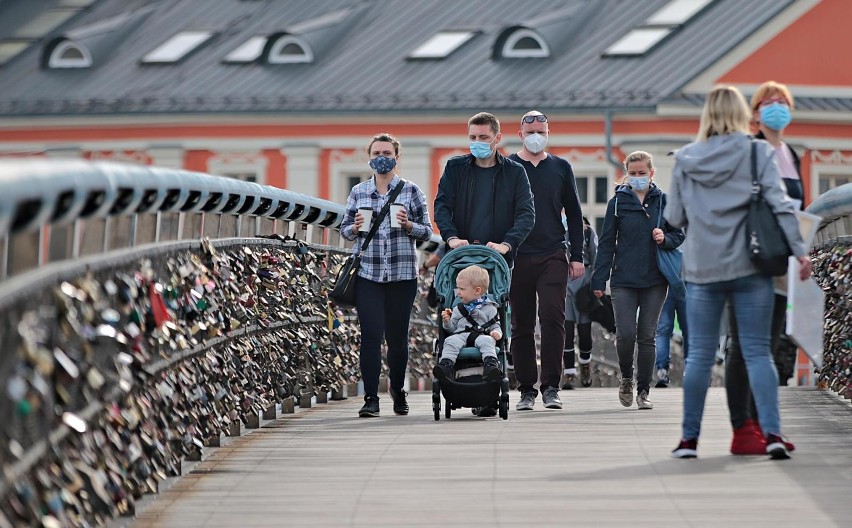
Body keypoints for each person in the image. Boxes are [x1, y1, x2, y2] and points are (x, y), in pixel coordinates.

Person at [666, 85, 811, 459]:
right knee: (758, 351)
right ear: (742, 113)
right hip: (750, 265)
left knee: (699, 355)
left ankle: (689, 440)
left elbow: (674, 218)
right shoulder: (758, 151)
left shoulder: (685, 159)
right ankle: (773, 434)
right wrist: (800, 252)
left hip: (702, 268)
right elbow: (780, 207)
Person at [433, 111, 535, 416]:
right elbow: (442, 206)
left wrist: (507, 243)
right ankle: (463, 380)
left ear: (497, 138)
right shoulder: (455, 168)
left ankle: (489, 393)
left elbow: (526, 213)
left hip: (497, 260)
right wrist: (450, 237)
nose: (477, 143)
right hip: (461, 256)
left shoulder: (514, 172)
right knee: (459, 319)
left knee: (494, 317)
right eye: (473, 138)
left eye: (483, 138)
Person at [725, 80, 804, 454]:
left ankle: (766, 425)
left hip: (779, 263)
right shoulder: (750, 150)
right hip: (747, 258)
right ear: (755, 113)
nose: (777, 108)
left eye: (783, 102)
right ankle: (744, 426)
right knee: (743, 345)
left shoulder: (792, 153)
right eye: (770, 103)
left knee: (769, 347)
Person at [339, 133, 434, 418]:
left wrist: (409, 225)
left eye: (387, 153)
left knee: (397, 337)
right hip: (368, 273)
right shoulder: (358, 192)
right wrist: (354, 228)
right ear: (370, 157)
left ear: (396, 157)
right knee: (370, 335)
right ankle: (370, 397)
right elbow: (343, 229)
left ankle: (398, 390)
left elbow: (428, 232)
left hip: (402, 273)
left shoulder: (411, 191)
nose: (382, 157)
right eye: (377, 152)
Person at [591, 151, 685, 411]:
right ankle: (626, 378)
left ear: (651, 173)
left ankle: (644, 390)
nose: (637, 178)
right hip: (623, 279)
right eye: (633, 174)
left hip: (655, 279)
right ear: (626, 174)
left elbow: (679, 235)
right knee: (625, 334)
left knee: (647, 335)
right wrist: (599, 280)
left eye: (642, 173)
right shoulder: (618, 203)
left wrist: (663, 238)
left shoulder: (664, 201)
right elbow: (607, 243)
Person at [507, 110, 585, 411]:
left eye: (541, 131)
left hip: (553, 253)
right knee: (521, 324)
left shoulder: (561, 167)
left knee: (553, 317)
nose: (535, 136)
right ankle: (527, 389)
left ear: (548, 133)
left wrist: (577, 256)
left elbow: (575, 215)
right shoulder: (509, 166)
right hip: (517, 255)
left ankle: (552, 387)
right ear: (520, 135)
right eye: (530, 132)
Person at [433, 265, 503, 383]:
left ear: (477, 290)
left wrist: (497, 332)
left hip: (482, 335)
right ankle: (445, 366)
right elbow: (452, 329)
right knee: (450, 341)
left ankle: (491, 366)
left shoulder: (490, 308)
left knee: (488, 341)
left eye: (462, 289)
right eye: (457, 288)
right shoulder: (458, 308)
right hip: (460, 335)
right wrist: (446, 322)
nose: (458, 293)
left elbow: (495, 325)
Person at [563, 216, 598, 390]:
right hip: (563, 282)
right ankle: (569, 373)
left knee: (584, 332)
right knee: (566, 332)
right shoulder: (555, 230)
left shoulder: (587, 232)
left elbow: (596, 255)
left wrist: (596, 284)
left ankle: (585, 365)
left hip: (584, 282)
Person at [654, 285, 688, 388]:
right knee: (689, 331)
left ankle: (662, 371)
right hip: (683, 284)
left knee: (663, 331)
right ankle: (690, 370)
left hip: (666, 284)